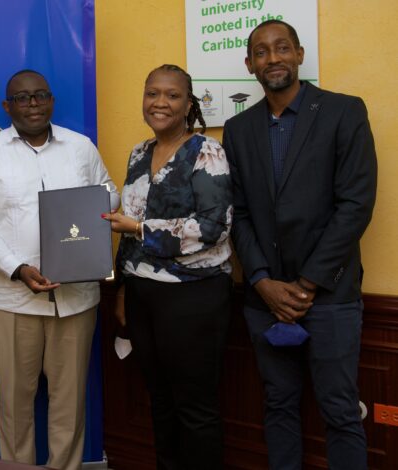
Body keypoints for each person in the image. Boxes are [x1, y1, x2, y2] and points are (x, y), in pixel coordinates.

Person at [223, 20, 377, 470]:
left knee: (341, 412)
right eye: (262, 52)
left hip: (329, 295)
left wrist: (306, 283)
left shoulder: (344, 112)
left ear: (300, 54)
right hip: (263, 299)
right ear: (249, 64)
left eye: (282, 48)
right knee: (278, 406)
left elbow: (355, 205)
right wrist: (262, 280)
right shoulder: (237, 129)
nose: (273, 58)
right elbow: (240, 213)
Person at [0, 69, 118, 470]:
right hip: (13, 300)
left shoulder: (80, 147)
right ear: (7, 105)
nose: (33, 105)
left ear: (51, 100)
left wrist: (88, 210)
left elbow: (109, 193)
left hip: (76, 297)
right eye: (22, 98)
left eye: (40, 96)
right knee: (15, 408)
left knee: (69, 404)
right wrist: (16, 268)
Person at [103, 64, 233, 469]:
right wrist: (123, 287)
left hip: (194, 296)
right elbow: (128, 234)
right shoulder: (139, 154)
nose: (160, 102)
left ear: (188, 104)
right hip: (143, 295)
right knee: (159, 400)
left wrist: (141, 227)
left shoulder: (207, 151)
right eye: (152, 93)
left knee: (195, 407)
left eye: (173, 95)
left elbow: (214, 227)